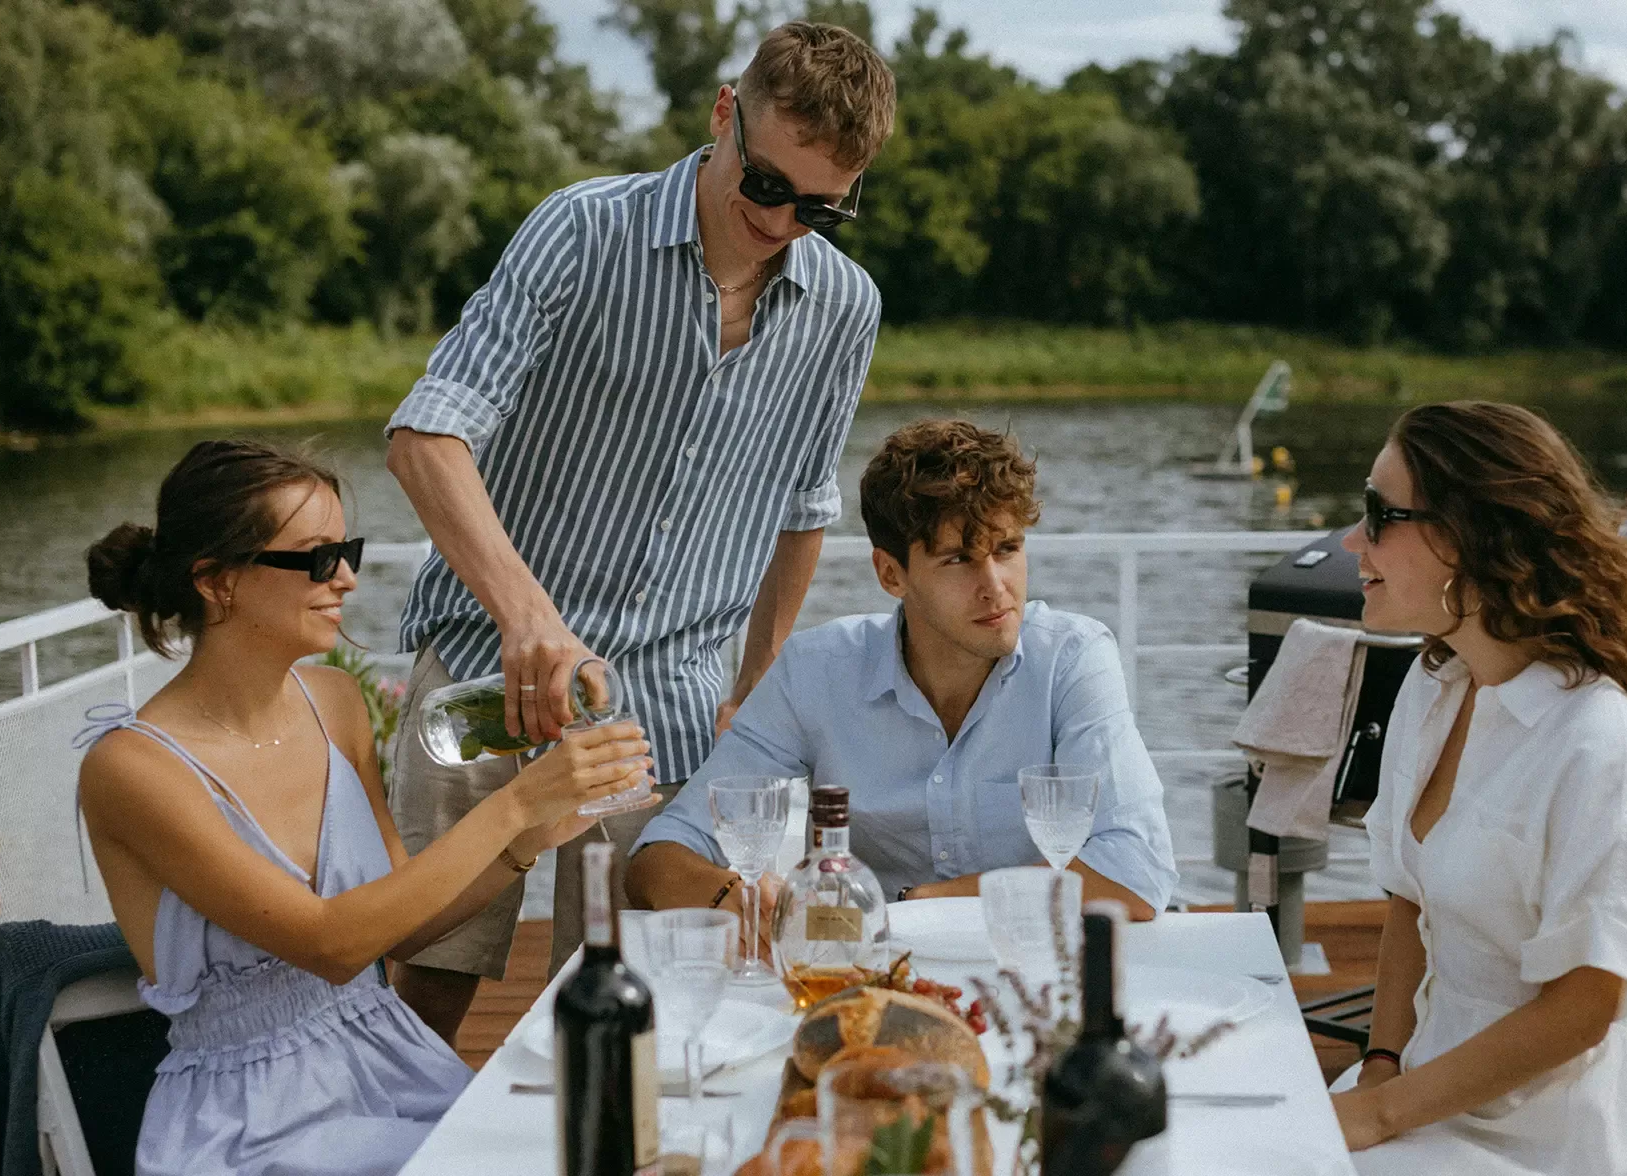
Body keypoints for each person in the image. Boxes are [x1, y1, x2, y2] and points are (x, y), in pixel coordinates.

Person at [379, 21, 898, 1043]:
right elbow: (426, 436)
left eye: (820, 208)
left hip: (668, 704)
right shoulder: (581, 230)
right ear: (722, 114)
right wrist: (530, 618)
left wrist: (755, 691)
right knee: (429, 984)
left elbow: (803, 510)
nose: (785, 222)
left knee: (648, 1006)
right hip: (492, 674)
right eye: (766, 187)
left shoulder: (845, 307)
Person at [75, 440, 648, 1176]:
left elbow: (399, 930)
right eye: (316, 558)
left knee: (604, 1140)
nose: (346, 577)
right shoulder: (133, 767)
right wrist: (511, 805)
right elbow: (331, 946)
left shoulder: (336, 703)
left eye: (348, 549)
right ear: (217, 581)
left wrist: (531, 837)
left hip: (385, 1056)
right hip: (251, 1119)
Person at [1327, 403, 1627, 1174]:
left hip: (1545, 1129)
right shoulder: (1435, 688)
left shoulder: (1599, 746)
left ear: (1470, 535)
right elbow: (1411, 897)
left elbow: (1582, 1009)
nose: (1351, 540)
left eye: (1380, 514)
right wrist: (1379, 1063)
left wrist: (1379, 1113)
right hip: (1422, 1083)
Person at [627, 420, 1178, 924]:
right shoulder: (816, 671)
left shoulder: (1073, 658)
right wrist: (735, 897)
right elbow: (656, 861)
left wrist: (925, 902)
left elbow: (1135, 873)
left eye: (1007, 549)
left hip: (1035, 967)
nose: (995, 586)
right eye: (959, 560)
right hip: (875, 972)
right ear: (891, 573)